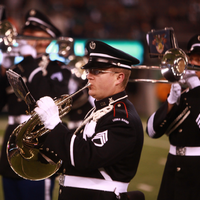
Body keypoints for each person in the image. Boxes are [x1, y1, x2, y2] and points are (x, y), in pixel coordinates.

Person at [33, 40, 144, 200]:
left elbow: (86, 158)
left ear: (119, 78)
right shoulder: (100, 110)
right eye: (89, 70)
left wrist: (54, 124)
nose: (88, 76)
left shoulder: (122, 118)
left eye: (97, 71)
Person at [0, 9, 72, 200]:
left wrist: (31, 60)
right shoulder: (16, 67)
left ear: (47, 39)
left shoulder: (57, 68)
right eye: (26, 32)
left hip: (38, 147)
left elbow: (46, 99)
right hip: (12, 143)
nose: (26, 36)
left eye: (33, 33)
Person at [146, 34, 200, 200]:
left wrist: (197, 89)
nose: (196, 65)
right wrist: (171, 101)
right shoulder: (182, 96)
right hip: (173, 166)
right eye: (194, 59)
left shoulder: (194, 92)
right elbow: (151, 131)